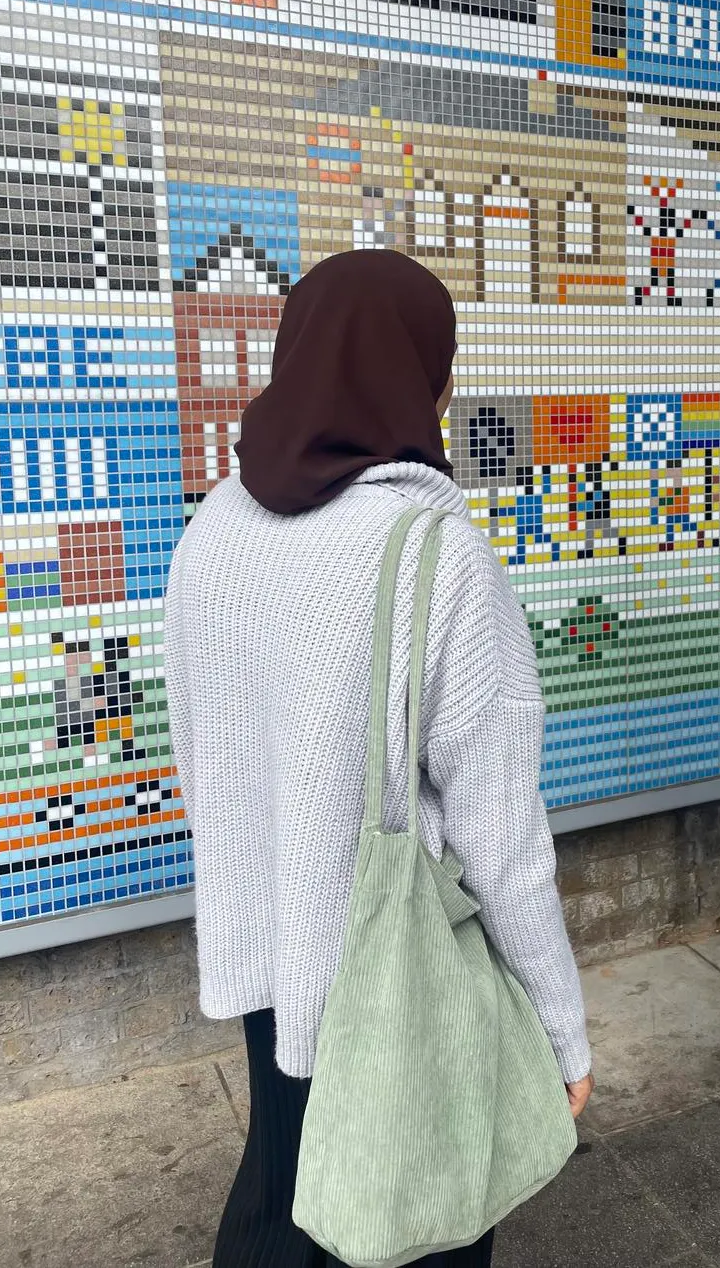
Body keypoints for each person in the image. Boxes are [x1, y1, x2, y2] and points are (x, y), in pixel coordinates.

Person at [164, 249, 593, 1268]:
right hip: (389, 980)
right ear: (423, 379)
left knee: (286, 1196)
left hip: (266, 961)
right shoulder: (437, 556)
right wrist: (562, 1031)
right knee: (412, 1223)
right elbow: (502, 840)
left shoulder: (213, 529)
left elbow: (201, 754)